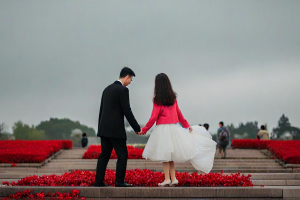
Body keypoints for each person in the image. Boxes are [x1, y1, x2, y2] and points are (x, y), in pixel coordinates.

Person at [139, 73, 216, 187]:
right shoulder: (173, 98)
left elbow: (153, 117)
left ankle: (167, 179)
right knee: (171, 156)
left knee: (165, 157)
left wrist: (144, 130)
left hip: (162, 129)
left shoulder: (157, 100)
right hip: (174, 128)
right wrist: (186, 125)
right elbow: (179, 114)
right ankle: (173, 178)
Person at [94, 67, 141, 187]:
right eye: (130, 80)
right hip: (116, 130)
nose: (130, 82)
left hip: (104, 129)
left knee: (104, 155)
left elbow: (101, 111)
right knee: (123, 155)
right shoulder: (123, 90)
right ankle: (119, 181)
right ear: (126, 77)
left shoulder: (106, 89)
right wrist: (137, 128)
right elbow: (127, 111)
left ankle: (98, 182)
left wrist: (100, 129)